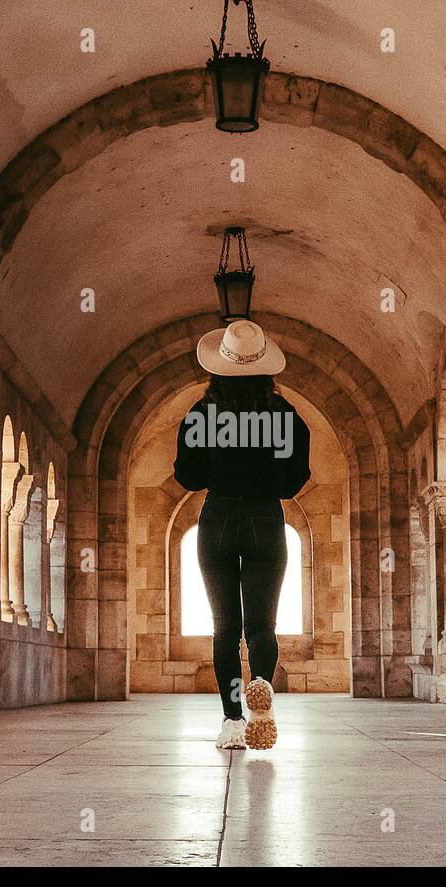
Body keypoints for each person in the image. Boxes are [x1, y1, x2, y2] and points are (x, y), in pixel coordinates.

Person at [173, 319, 311, 750]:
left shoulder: (202, 415)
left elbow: (188, 476)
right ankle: (263, 689)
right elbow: (294, 480)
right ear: (266, 370)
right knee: (261, 625)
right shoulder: (285, 417)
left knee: (224, 628)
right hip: (266, 519)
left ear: (219, 368)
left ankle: (233, 720)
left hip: (216, 520)